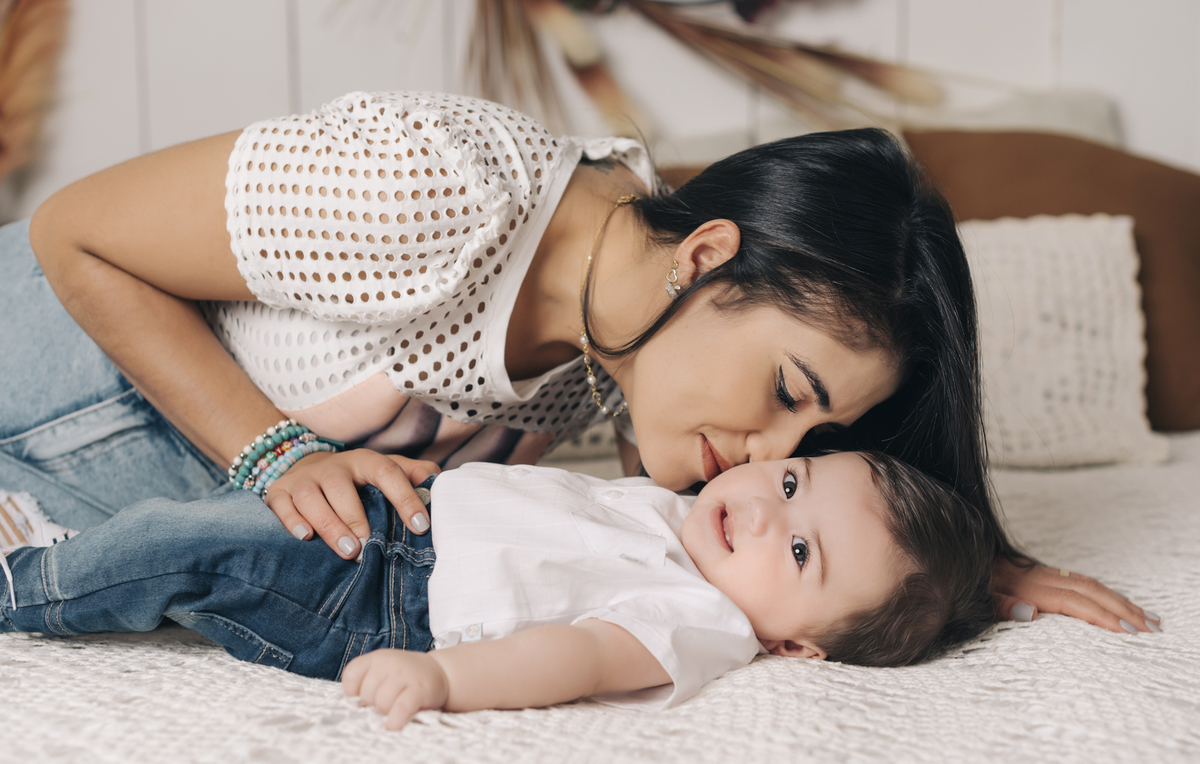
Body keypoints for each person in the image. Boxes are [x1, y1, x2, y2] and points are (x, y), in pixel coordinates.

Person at [0, 91, 1153, 635]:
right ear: (707, 256)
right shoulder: (433, 188)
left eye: (811, 443)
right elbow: (72, 233)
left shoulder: (607, 355)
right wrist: (276, 450)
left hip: (49, 508)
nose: (765, 455)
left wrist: (945, 571)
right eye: (789, 393)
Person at [0, 451, 996, 730]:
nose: (768, 513)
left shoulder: (702, 617)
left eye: (803, 554)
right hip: (406, 512)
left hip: (385, 595)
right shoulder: (687, 512)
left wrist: (443, 677)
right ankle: (73, 540)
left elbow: (577, 656)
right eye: (790, 480)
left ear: (796, 643)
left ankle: (30, 580)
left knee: (189, 549)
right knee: (207, 510)